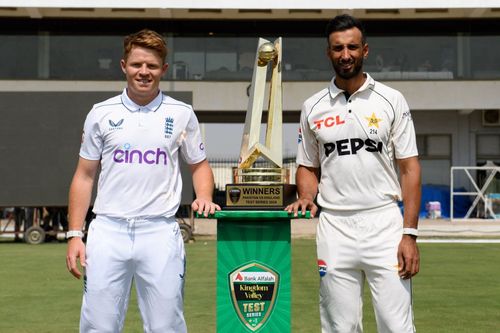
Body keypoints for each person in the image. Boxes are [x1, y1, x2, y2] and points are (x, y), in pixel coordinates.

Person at [66, 29, 220, 333]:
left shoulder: (181, 113)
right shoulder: (100, 113)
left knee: (166, 326)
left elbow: (199, 164)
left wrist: (203, 194)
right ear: (124, 66)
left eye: (151, 66)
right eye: (137, 64)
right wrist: (74, 234)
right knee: (99, 326)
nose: (144, 72)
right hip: (108, 231)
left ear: (163, 70)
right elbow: (84, 176)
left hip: (159, 231)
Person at [286, 14, 421, 333]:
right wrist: (306, 195)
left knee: (395, 325)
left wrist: (410, 234)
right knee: (339, 325)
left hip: (384, 223)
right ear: (328, 52)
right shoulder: (312, 106)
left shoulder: (391, 100)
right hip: (334, 227)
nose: (345, 54)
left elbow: (410, 167)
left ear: (365, 50)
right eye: (338, 48)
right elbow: (308, 164)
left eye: (352, 47)